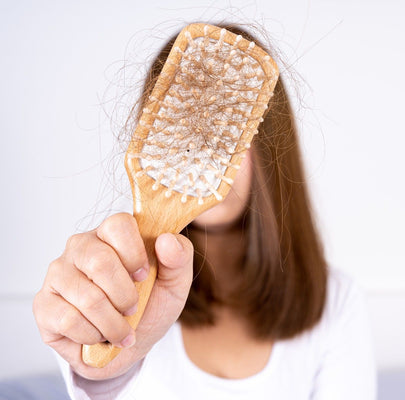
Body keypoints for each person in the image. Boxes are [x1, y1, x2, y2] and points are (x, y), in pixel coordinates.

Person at [33, 23, 376, 399]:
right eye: (183, 127)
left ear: (270, 145)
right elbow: (98, 369)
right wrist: (106, 374)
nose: (199, 151)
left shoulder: (338, 304)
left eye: (222, 130)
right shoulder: (116, 291)